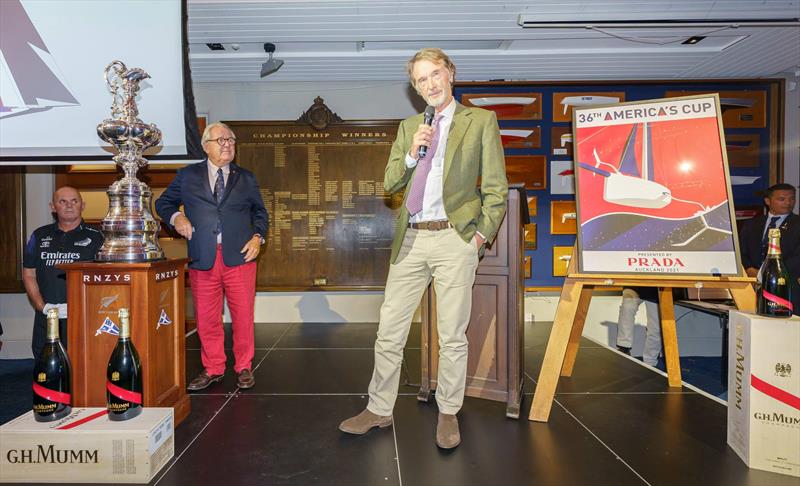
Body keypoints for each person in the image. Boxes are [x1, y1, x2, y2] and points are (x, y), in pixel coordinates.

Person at [339, 48, 508, 449]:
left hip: (455, 237)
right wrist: (414, 153)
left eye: (435, 74)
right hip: (412, 236)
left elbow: (496, 189)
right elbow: (391, 183)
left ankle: (449, 411)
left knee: (452, 334)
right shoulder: (409, 126)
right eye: (420, 80)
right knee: (389, 331)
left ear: (450, 74)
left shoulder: (480, 121)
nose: (429, 84)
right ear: (415, 88)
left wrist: (479, 237)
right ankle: (379, 408)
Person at [156, 122, 268, 390]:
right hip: (202, 257)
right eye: (221, 140)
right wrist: (176, 216)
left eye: (231, 140)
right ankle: (214, 367)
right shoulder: (187, 175)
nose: (228, 144)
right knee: (207, 318)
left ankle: (243, 367)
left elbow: (260, 214)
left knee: (242, 316)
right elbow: (163, 203)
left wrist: (257, 237)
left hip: (239, 258)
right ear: (206, 146)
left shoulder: (246, 177)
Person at [23, 186, 104, 360]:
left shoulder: (99, 237)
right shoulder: (38, 235)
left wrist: (83, 307)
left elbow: (106, 281)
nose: (69, 205)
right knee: (46, 369)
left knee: (81, 368)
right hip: (46, 316)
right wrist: (42, 307)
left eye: (74, 201)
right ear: (53, 207)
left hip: (84, 318)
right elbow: (29, 274)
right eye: (63, 201)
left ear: (82, 205)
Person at [739, 183, 800, 314]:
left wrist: (767, 273)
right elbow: (741, 252)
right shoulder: (751, 224)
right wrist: (750, 269)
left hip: (786, 287)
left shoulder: (797, 224)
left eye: (792, 198)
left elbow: (797, 257)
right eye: (782, 199)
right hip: (751, 285)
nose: (788, 203)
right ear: (768, 201)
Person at [615, 287, 662, 367]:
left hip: (657, 288)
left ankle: (650, 361)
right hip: (635, 284)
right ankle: (624, 347)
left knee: (656, 327)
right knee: (627, 307)